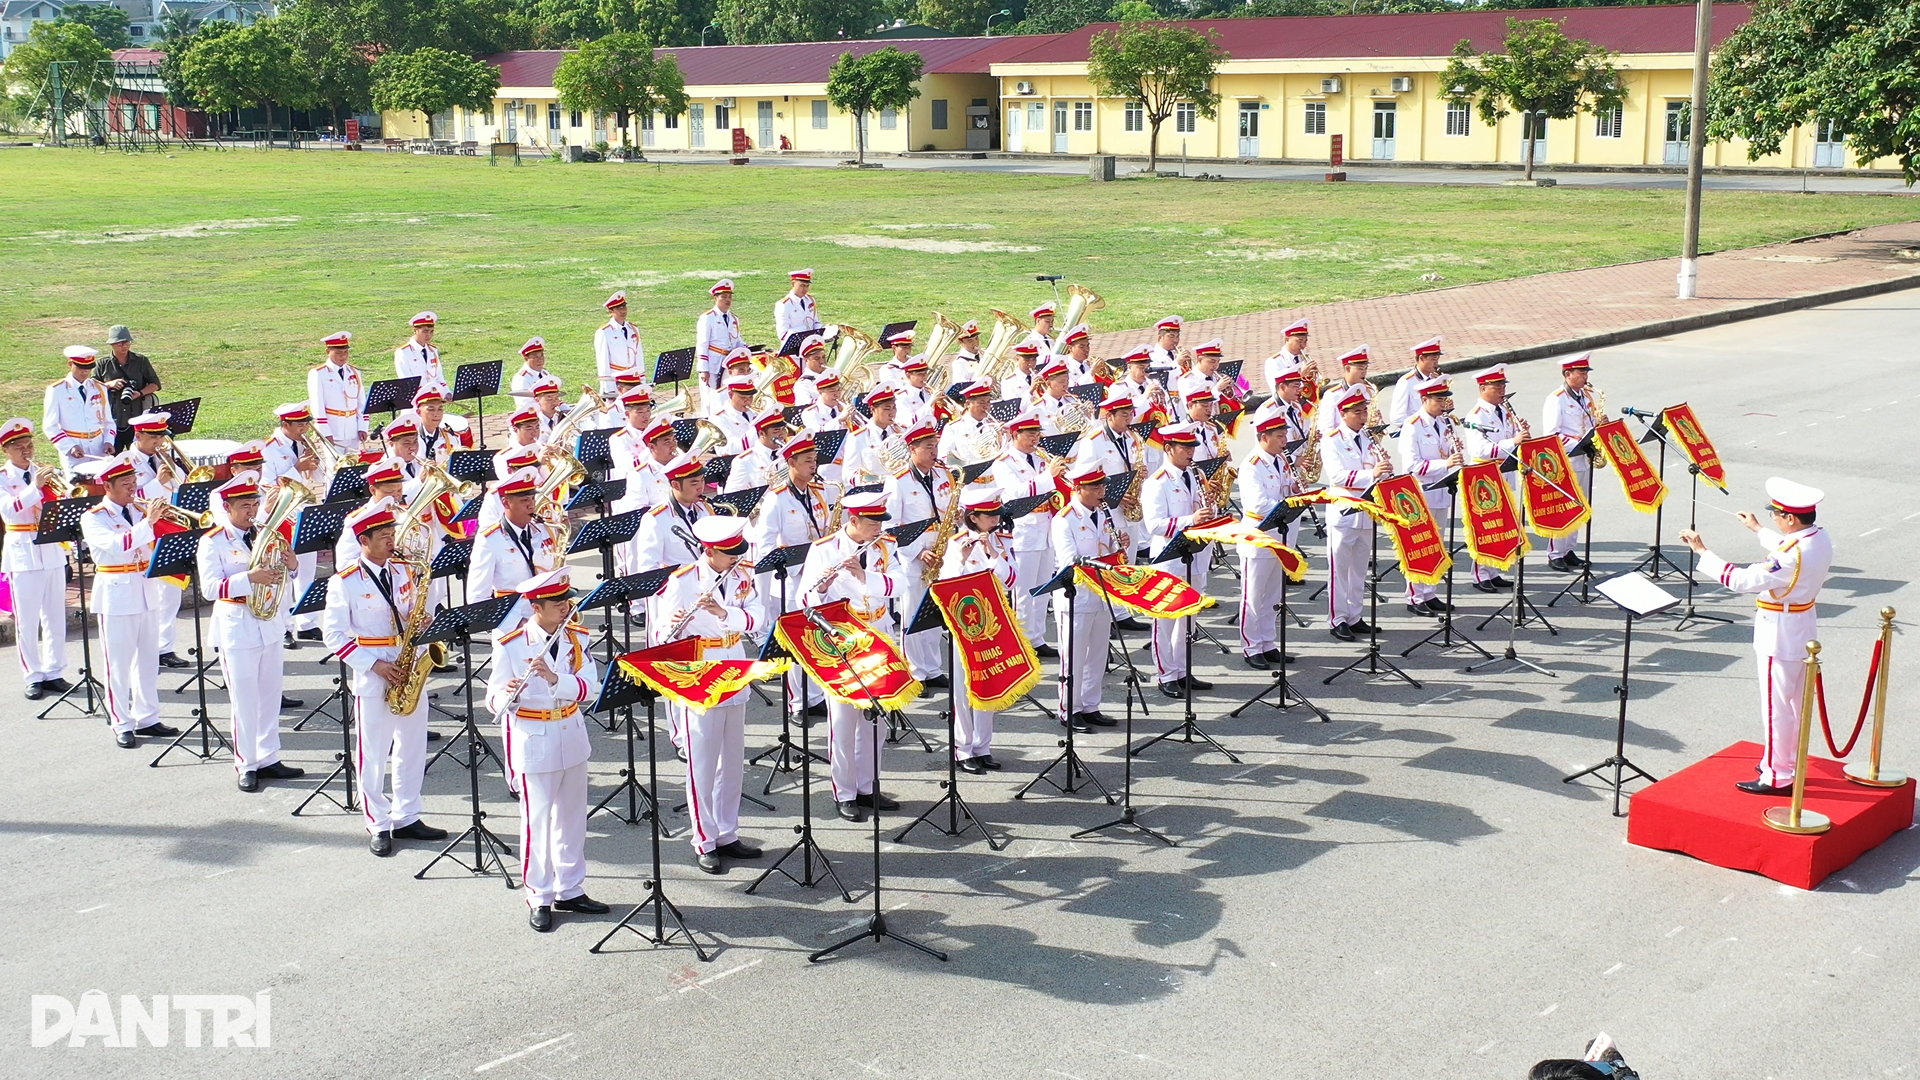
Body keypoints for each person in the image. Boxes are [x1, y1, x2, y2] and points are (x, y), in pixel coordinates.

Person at [1680, 478, 1833, 794]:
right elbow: (1788, 549)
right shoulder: (1818, 537)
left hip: (1778, 633)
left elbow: (1741, 580)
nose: (1776, 518)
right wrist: (1758, 529)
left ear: (1790, 518)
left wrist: (1702, 552)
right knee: (1793, 703)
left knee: (1776, 707)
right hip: (1803, 625)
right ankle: (1785, 760)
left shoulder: (1790, 553)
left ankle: (1777, 775)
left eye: (1777, 514)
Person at [322, 500, 449, 857]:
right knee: (374, 752)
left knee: (412, 746)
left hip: (407, 664)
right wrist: (373, 665)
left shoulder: (403, 571)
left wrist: (421, 622)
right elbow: (333, 635)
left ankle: (407, 814)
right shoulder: (344, 582)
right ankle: (377, 821)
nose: (392, 541)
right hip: (373, 669)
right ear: (364, 540)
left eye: (392, 534)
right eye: (384, 536)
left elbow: (408, 613)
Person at [486, 567, 610, 930]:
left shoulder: (576, 638)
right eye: (558, 603)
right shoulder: (510, 644)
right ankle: (539, 895)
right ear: (536, 607)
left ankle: (570, 888)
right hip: (534, 736)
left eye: (567, 601)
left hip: (570, 731)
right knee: (537, 823)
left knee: (572, 820)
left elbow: (589, 686)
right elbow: (492, 699)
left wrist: (556, 679)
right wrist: (507, 695)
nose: (566, 607)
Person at [655, 516, 767, 872]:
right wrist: (674, 626)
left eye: (737, 552)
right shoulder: (683, 581)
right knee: (703, 763)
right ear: (709, 550)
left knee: (732, 762)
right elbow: (659, 634)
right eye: (727, 553)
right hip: (699, 671)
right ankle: (703, 839)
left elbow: (757, 618)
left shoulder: (742, 573)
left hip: (733, 665)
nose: (735, 559)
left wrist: (723, 613)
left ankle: (727, 833)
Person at [197, 473, 304, 793]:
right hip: (237, 627)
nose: (251, 511)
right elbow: (210, 589)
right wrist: (250, 578)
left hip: (268, 625)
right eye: (245, 506)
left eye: (255, 504)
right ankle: (246, 763)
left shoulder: (266, 534)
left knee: (270, 697)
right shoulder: (212, 541)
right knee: (244, 701)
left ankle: (269, 756)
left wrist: (293, 563)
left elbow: (286, 574)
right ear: (227, 507)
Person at [799, 490, 901, 822]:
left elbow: (899, 584)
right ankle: (844, 791)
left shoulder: (886, 545)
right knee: (843, 721)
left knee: (876, 720)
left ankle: (868, 786)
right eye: (873, 523)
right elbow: (805, 598)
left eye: (880, 522)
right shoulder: (824, 549)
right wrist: (824, 586)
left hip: (879, 637)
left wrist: (863, 576)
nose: (879, 529)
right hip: (842, 642)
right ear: (853, 521)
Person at [81, 455, 179, 748]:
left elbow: (152, 546)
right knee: (119, 665)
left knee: (148, 661)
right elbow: (116, 546)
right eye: (126, 484)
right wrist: (150, 522)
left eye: (134, 483)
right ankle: (121, 722)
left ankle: (148, 716)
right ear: (108, 486)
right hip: (116, 594)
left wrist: (162, 524)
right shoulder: (94, 517)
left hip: (146, 591)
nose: (133, 489)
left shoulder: (138, 510)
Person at [940, 483, 1017, 773]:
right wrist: (960, 560)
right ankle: (963, 748)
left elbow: (1011, 580)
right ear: (974, 517)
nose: (996, 520)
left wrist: (992, 553)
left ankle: (983, 746)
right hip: (966, 624)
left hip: (993, 622)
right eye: (989, 516)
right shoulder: (956, 542)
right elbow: (946, 584)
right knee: (963, 688)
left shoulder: (1003, 539)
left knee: (989, 683)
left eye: (997, 514)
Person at [1049, 462, 1125, 731]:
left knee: (1097, 655)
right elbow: (1070, 559)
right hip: (1077, 597)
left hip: (1101, 594)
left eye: (1103, 486)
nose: (1102, 491)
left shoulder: (1103, 513)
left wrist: (1120, 546)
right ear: (1079, 489)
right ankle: (1069, 709)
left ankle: (1091, 705)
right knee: (1074, 657)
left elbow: (1109, 545)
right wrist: (1104, 560)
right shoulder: (1064, 519)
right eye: (1096, 487)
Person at [1142, 424, 1215, 697]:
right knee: (1166, 620)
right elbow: (1154, 525)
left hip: (1194, 555)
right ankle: (1166, 674)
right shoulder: (1157, 482)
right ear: (1168, 448)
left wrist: (1211, 509)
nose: (1190, 453)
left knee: (1187, 619)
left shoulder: (1194, 475)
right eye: (1184, 448)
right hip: (1169, 559)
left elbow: (1200, 508)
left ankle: (1183, 670)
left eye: (1192, 448)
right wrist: (1190, 520)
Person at [0, 419, 70, 700]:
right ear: (6, 450)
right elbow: (10, 511)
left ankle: (54, 671)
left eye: (29, 445)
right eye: (19, 448)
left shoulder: (44, 473)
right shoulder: (3, 479)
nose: (27, 451)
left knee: (55, 617)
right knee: (27, 621)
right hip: (22, 553)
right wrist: (35, 488)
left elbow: (63, 505)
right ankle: (33, 675)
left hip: (51, 550)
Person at [882, 423, 954, 689]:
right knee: (912, 614)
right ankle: (915, 672)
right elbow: (891, 526)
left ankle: (933, 667)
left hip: (940, 551)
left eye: (935, 446)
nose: (935, 451)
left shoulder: (943, 474)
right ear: (912, 449)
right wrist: (916, 550)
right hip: (914, 557)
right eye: (929, 447)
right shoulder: (898, 480)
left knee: (934, 613)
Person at [989, 411, 1064, 656]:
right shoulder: (1003, 462)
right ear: (1015, 435)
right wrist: (1048, 477)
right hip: (1024, 530)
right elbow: (1012, 494)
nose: (1035, 439)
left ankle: (1037, 637)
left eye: (1037, 434)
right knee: (1024, 590)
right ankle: (1022, 640)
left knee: (1043, 587)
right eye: (1030, 434)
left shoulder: (1041, 458)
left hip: (1045, 526)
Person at [1320, 385, 1391, 641]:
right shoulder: (1332, 440)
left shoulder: (1369, 438)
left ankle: (1355, 616)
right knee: (1339, 569)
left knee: (1360, 568)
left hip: (1367, 512)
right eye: (1358, 412)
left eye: (1365, 411)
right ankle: (1337, 618)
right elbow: (1337, 476)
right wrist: (1370, 474)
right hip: (1344, 512)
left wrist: (1384, 472)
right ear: (1344, 413)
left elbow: (1376, 470)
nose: (1363, 417)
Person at [1236, 405, 1299, 669]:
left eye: (1285, 435)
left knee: (1274, 594)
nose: (1285, 441)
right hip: (1258, 539)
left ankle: (1268, 642)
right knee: (1253, 595)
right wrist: (1288, 499)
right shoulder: (1251, 466)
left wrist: (1295, 488)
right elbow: (1257, 505)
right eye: (1280, 436)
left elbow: (1284, 487)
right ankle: (1251, 646)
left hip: (1281, 536)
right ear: (1264, 437)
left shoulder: (1281, 459)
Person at [1395, 376, 1463, 617]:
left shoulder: (1444, 423)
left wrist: (1456, 458)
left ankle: (1430, 592)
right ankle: (1415, 595)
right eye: (1439, 399)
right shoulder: (1412, 425)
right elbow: (1412, 466)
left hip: (1442, 490)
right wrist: (1444, 464)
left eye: (1445, 399)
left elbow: (1449, 451)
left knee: (1437, 545)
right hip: (1420, 494)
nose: (1443, 403)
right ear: (1425, 400)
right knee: (1419, 545)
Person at [125, 411, 189, 669]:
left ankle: (165, 647)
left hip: (169, 527)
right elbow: (129, 497)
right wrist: (156, 482)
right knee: (152, 597)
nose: (160, 441)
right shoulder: (126, 461)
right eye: (154, 436)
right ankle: (149, 649)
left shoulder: (162, 456)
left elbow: (182, 485)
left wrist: (175, 473)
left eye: (162, 435)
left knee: (171, 594)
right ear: (138, 435)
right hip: (144, 533)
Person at [261, 402, 326, 641]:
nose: (305, 429)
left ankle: (307, 623)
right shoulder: (268, 449)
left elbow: (319, 476)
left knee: (307, 569)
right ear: (285, 424)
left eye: (306, 423)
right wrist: (297, 468)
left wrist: (319, 461)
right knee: (285, 573)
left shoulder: (303, 443)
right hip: (282, 514)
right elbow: (265, 484)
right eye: (300, 424)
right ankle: (285, 626)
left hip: (305, 510)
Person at [1460, 364, 1525, 592]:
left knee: (1501, 525)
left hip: (1504, 472)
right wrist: (1513, 442)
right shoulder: (1476, 415)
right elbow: (1480, 450)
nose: (1501, 390)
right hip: (1484, 477)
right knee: (1486, 526)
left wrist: (1520, 435)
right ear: (1483, 388)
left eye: (1502, 386)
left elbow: (1508, 438)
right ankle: (1480, 575)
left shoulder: (1504, 411)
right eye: (1497, 386)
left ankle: (1494, 570)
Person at [1542, 353, 1600, 572]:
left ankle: (1568, 549)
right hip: (1565, 459)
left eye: (1586, 372)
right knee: (1562, 506)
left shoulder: (1585, 397)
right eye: (1581, 373)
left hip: (1583, 458)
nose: (1585, 377)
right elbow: (1552, 435)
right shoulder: (1556, 399)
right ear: (1568, 374)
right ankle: (1555, 552)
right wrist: (1577, 441)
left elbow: (1589, 422)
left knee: (1580, 504)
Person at [43, 346, 116, 470]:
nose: (85, 372)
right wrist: (68, 446)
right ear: (70, 364)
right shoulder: (57, 390)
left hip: (98, 446)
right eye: (81, 367)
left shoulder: (99, 388)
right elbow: (50, 425)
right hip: (74, 445)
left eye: (89, 368)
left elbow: (108, 421)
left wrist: (109, 440)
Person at [95, 326, 162, 452]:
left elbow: (155, 384)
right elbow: (92, 387)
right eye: (120, 343)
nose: (124, 346)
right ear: (112, 344)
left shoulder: (140, 360)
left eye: (127, 342)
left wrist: (140, 393)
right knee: (113, 459)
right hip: (112, 419)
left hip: (137, 415)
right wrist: (109, 384)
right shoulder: (102, 364)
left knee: (140, 458)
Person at [307, 332, 367, 453]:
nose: (343, 356)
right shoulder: (319, 373)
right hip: (333, 428)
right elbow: (317, 404)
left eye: (345, 352)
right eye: (338, 353)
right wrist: (324, 431)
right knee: (335, 466)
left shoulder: (354, 371)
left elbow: (361, 402)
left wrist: (363, 426)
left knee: (354, 465)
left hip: (352, 428)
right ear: (328, 352)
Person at [695, 279, 744, 403]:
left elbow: (737, 340)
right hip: (713, 362)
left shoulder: (734, 318)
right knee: (710, 398)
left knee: (726, 396)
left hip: (729, 363)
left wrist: (749, 349)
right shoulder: (708, 318)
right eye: (723, 297)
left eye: (729, 297)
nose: (727, 300)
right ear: (715, 298)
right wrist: (703, 369)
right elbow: (702, 344)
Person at [594, 291, 645, 396]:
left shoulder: (633, 329)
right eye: (618, 308)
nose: (623, 311)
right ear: (611, 311)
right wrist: (608, 388)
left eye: (624, 307)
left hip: (632, 379)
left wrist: (642, 380)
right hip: (615, 379)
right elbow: (602, 361)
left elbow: (639, 356)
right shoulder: (604, 332)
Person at [725, 409, 788, 494]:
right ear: (762, 434)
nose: (782, 434)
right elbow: (731, 494)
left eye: (783, 429)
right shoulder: (744, 461)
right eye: (776, 430)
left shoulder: (787, 453)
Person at [935, 380, 998, 464]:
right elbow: (943, 457)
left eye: (988, 402)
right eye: (981, 403)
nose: (986, 406)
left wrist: (1005, 438)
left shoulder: (993, 425)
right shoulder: (954, 428)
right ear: (968, 403)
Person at [1316, 346, 1374, 435]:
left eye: (1366, 368)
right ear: (1347, 368)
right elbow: (1325, 429)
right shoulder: (1332, 395)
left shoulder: (1369, 391)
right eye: (1360, 368)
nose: (1364, 372)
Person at [1388, 337, 1444, 427]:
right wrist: (1419, 428)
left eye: (1437, 359)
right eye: (1433, 359)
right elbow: (1397, 418)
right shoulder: (1406, 382)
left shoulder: (1435, 380)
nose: (1437, 364)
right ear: (1422, 358)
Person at [1265, 318, 1311, 398]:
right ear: (1287, 339)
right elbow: (1279, 390)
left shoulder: (1305, 359)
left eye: (1305, 341)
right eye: (1299, 341)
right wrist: (1301, 376)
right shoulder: (1273, 362)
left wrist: (1311, 377)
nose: (1303, 346)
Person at [393, 312, 443, 386]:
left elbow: (439, 377)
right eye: (425, 331)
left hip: (434, 393)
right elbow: (406, 381)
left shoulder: (433, 350)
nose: (428, 335)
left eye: (431, 331)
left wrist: (447, 392)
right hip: (416, 395)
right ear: (415, 330)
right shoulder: (403, 352)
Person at [773, 268, 821, 344]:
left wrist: (827, 330)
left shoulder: (810, 300)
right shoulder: (783, 305)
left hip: (811, 345)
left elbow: (816, 322)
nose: (805, 289)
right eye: (802, 285)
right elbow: (783, 334)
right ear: (793, 284)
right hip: (794, 349)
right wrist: (805, 333)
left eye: (807, 286)